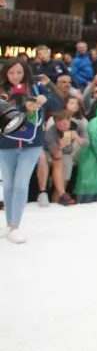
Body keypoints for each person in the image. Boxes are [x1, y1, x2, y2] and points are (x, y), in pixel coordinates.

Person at [0, 57, 49, 244]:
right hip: (6, 143)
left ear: (25, 72)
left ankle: (15, 226)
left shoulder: (35, 87)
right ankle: (9, 223)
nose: (15, 76)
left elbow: (58, 103)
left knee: (21, 184)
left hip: (31, 143)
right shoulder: (2, 90)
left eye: (19, 72)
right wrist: (24, 105)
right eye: (11, 72)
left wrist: (43, 98)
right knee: (9, 184)